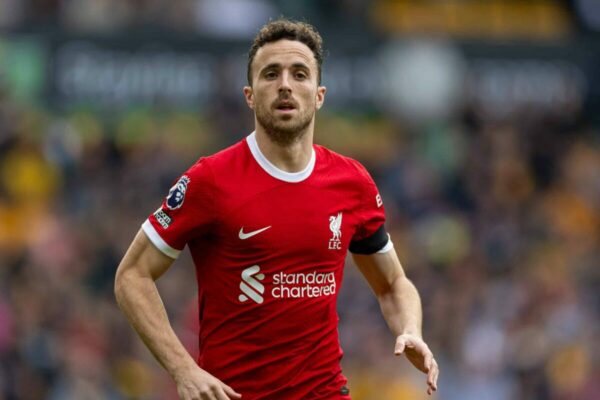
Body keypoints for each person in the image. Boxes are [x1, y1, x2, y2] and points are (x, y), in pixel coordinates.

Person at [114, 18, 439, 400]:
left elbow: (392, 284)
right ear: (250, 95)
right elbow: (132, 276)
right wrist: (183, 369)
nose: (285, 84)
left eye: (299, 74)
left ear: (318, 94)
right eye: (271, 74)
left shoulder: (352, 183)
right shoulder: (211, 179)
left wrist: (411, 329)